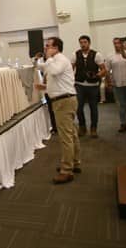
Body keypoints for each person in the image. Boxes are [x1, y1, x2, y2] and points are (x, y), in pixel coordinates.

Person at [35, 37, 80, 184]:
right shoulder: (54, 60)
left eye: (48, 46)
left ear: (56, 48)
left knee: (66, 136)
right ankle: (75, 162)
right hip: (64, 99)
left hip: (64, 101)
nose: (46, 48)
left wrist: (47, 59)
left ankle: (67, 170)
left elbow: (53, 71)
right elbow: (42, 68)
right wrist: (46, 87)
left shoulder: (59, 59)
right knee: (71, 133)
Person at [71, 35, 106, 138]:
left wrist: (97, 75)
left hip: (93, 85)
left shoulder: (97, 55)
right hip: (79, 84)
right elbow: (70, 69)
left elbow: (104, 70)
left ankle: (93, 129)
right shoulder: (75, 54)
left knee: (93, 108)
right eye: (81, 42)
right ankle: (82, 127)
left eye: (85, 42)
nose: (83, 44)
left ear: (89, 43)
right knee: (78, 107)